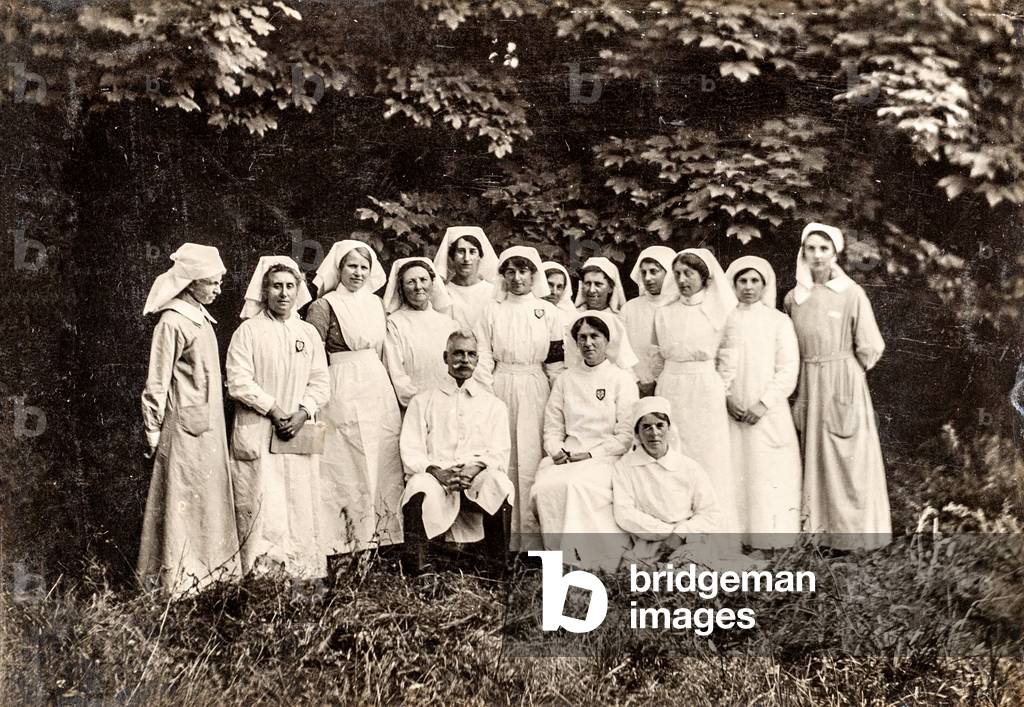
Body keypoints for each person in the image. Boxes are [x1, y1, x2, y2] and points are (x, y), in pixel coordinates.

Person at [138, 243, 241, 595]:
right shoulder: (172, 322)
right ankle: (177, 580)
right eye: (211, 282)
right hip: (182, 427)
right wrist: (153, 428)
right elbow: (157, 380)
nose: (217, 289)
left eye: (218, 282)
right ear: (190, 282)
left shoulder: (199, 318)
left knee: (206, 498)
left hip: (207, 425)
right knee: (182, 498)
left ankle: (210, 575)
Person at [783, 223, 891, 551]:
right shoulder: (793, 298)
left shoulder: (851, 294)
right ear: (803, 252)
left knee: (849, 457)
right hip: (807, 383)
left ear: (835, 254)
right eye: (811, 249)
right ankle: (822, 534)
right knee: (813, 456)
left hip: (844, 382)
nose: (817, 256)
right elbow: (788, 347)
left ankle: (857, 536)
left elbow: (870, 346)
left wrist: (846, 374)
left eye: (823, 249)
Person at [226, 256, 330, 578]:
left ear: (298, 290)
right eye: (276, 286)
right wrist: (274, 409)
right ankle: (262, 577)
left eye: (289, 286)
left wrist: (301, 413)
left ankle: (302, 574)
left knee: (299, 500)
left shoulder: (308, 333)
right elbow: (238, 380)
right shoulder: (248, 331)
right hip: (259, 427)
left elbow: (320, 382)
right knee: (261, 500)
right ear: (264, 290)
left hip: (295, 431)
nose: (283, 293)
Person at [307, 240, 404, 555]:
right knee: (344, 462)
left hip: (375, 384)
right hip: (340, 385)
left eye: (364, 267)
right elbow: (311, 355)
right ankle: (345, 542)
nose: (358, 273)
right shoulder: (324, 306)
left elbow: (379, 350)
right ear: (339, 268)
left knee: (382, 457)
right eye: (352, 266)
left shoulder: (376, 304)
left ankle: (383, 537)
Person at [399, 331, 514, 574]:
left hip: (476, 475)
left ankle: (496, 571)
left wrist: (474, 469)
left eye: (471, 354)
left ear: (478, 359)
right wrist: (437, 472)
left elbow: (499, 451)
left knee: (499, 484)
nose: (465, 359)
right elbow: (411, 450)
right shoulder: (423, 401)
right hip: (437, 477)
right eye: (458, 353)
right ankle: (420, 572)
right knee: (417, 489)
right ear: (445, 357)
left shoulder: (493, 404)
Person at [531, 311, 638, 570]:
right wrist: (556, 450)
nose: (588, 343)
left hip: (607, 457)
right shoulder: (566, 380)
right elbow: (553, 427)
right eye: (582, 337)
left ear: (607, 340)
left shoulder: (621, 379)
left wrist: (591, 455)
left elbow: (625, 435)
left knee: (575, 485)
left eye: (595, 336)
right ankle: (557, 560)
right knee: (546, 487)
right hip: (569, 453)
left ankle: (591, 561)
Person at [474, 245, 564, 550]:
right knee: (505, 457)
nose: (517, 277)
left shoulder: (548, 312)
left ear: (533, 274)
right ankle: (504, 541)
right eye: (510, 271)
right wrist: (486, 397)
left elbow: (555, 362)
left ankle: (535, 539)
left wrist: (558, 399)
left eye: (523, 270)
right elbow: (483, 357)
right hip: (501, 385)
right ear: (502, 276)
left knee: (533, 456)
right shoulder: (491, 311)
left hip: (537, 386)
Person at [651, 248, 739, 533]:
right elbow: (656, 355)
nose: (682, 279)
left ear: (704, 277)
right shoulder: (664, 312)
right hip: (670, 386)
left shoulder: (721, 311)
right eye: (677, 274)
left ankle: (712, 532)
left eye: (689, 273)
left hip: (705, 388)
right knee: (673, 455)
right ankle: (674, 529)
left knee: (708, 458)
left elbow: (729, 354)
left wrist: (720, 387)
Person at [723, 255, 802, 551]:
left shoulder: (779, 321)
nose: (748, 287)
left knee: (769, 473)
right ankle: (742, 538)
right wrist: (726, 397)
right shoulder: (727, 319)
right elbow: (721, 364)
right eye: (742, 281)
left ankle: (773, 541)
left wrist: (763, 404)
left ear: (765, 284)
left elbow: (788, 368)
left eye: (755, 280)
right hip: (734, 412)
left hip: (768, 412)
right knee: (739, 472)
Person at [612, 397, 723, 567]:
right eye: (646, 427)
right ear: (636, 433)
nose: (654, 433)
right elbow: (624, 513)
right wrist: (667, 534)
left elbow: (710, 512)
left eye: (659, 425)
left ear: (669, 429)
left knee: (690, 574)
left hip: (688, 540)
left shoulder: (689, 467)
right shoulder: (625, 467)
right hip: (647, 543)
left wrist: (680, 534)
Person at [381, 257, 459, 408]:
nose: (418, 287)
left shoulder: (449, 324)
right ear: (401, 288)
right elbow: (395, 372)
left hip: (448, 403)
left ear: (432, 283)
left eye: (423, 280)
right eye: (411, 282)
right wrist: (419, 403)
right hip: (414, 406)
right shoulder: (394, 324)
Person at [620, 246, 679, 396]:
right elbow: (621, 351)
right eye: (644, 272)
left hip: (672, 385)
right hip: (635, 386)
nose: (647, 278)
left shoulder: (679, 307)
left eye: (654, 271)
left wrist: (659, 381)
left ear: (669, 274)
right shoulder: (629, 309)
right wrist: (636, 381)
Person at [432, 226, 499, 331]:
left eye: (472, 252)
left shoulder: (492, 292)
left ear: (480, 257)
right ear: (452, 258)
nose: (466, 258)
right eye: (461, 251)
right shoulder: (444, 293)